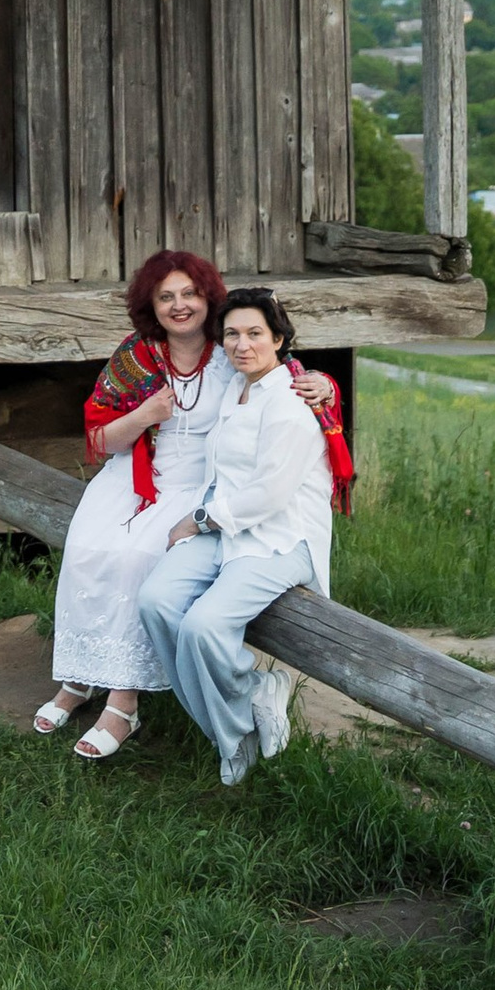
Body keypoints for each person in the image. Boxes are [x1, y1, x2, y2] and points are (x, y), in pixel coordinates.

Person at [34, 249, 232, 762]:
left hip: (193, 488)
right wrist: (145, 412)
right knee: (87, 549)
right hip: (133, 477)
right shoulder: (137, 355)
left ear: (208, 296)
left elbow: (287, 373)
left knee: (136, 559)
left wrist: (320, 384)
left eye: (189, 293)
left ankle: (123, 703)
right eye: (166, 297)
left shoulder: (232, 351)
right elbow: (100, 440)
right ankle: (78, 679)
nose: (179, 305)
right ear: (152, 306)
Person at [135, 289, 335, 786]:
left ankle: (249, 711)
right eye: (231, 334)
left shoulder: (290, 403)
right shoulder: (235, 386)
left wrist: (197, 520)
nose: (241, 344)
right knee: (156, 602)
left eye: (255, 334)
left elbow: (268, 495)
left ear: (280, 339)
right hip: (225, 528)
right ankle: (236, 721)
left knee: (203, 627)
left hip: (280, 538)